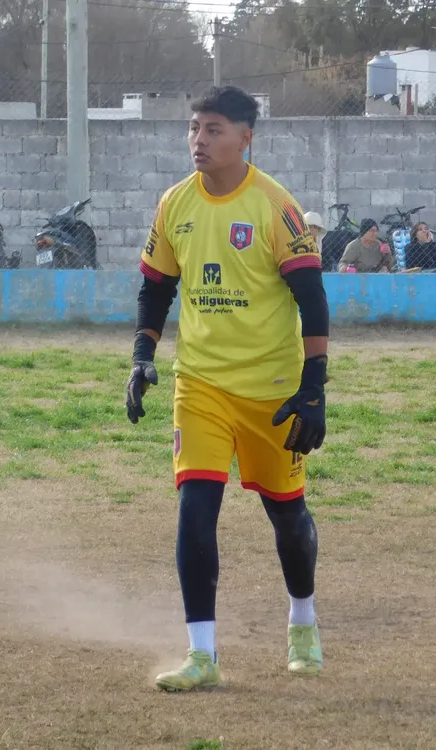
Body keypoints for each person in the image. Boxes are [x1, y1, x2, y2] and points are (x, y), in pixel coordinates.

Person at [125, 85, 330, 692]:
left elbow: (312, 299)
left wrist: (313, 388)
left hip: (271, 389)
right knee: (195, 510)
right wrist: (142, 356)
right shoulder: (174, 204)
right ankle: (202, 654)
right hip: (202, 385)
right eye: (194, 128)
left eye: (214, 129)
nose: (199, 140)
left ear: (246, 138)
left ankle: (303, 622)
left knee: (287, 517)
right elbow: (156, 287)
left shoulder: (276, 207)